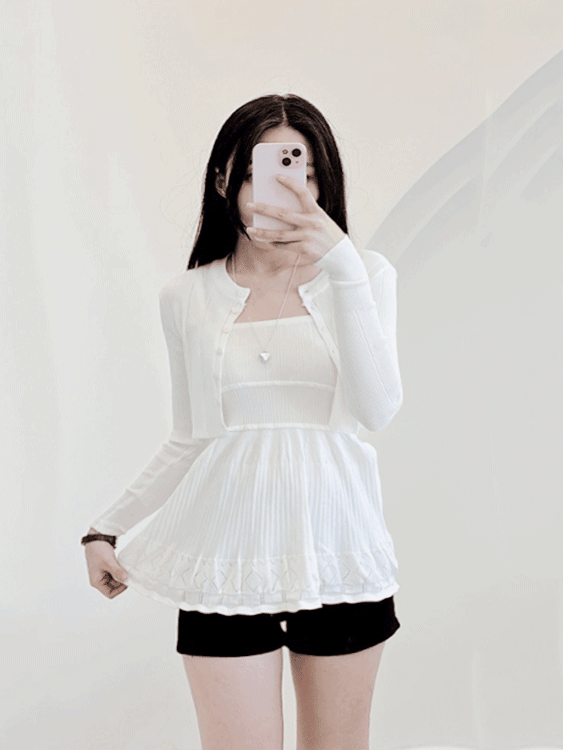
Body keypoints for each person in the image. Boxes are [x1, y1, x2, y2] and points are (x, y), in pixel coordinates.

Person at [82, 93, 403, 750]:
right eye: (258, 170)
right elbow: (191, 437)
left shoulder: (364, 274)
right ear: (224, 179)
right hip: (223, 562)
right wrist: (105, 526)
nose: (281, 189)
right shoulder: (187, 295)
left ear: (322, 181)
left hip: (337, 554)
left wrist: (342, 265)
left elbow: (375, 411)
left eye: (299, 170)